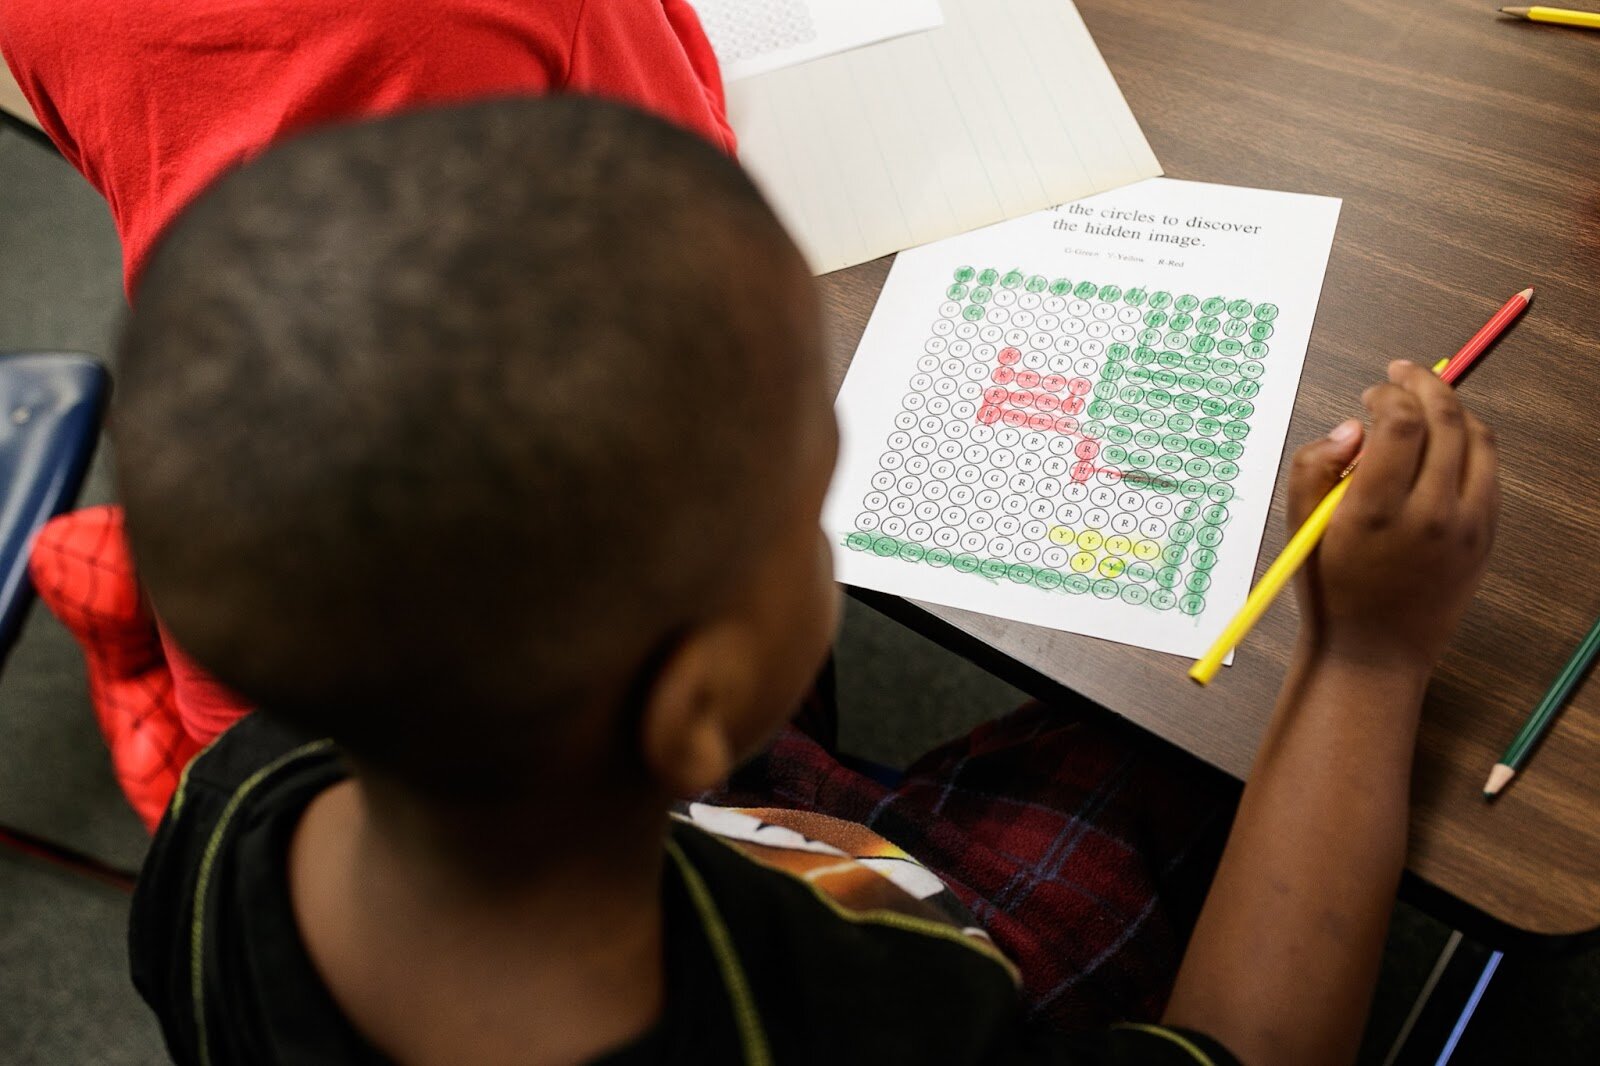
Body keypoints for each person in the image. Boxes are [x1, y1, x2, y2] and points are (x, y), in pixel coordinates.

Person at [122, 98, 1498, 1065]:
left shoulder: (234, 802)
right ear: (691, 700)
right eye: (810, 491)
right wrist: (1364, 657)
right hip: (921, 937)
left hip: (719, 834)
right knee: (1178, 754)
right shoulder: (851, 1030)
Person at [0, 0, 739, 823]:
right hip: (472, 474)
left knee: (247, 793)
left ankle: (133, 619)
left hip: (214, 456)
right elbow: (689, 180)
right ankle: (134, 649)